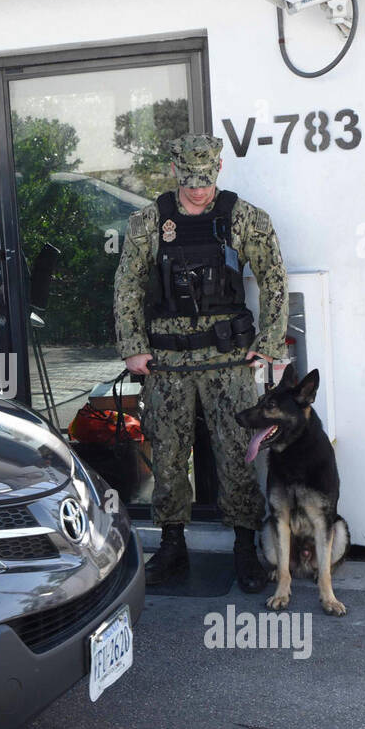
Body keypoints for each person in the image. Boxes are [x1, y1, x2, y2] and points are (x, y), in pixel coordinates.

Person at [113, 134, 288, 593]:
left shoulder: (244, 218)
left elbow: (273, 279)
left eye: (205, 181)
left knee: (237, 453)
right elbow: (127, 286)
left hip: (228, 360)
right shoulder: (148, 223)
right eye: (190, 181)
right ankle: (172, 546)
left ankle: (245, 547)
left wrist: (268, 342)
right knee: (168, 456)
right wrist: (132, 345)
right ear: (174, 172)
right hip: (167, 364)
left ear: (218, 169)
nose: (198, 190)